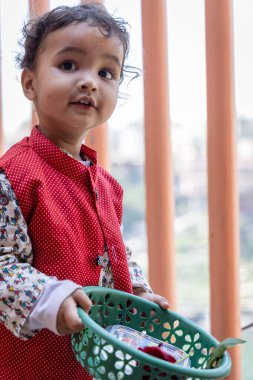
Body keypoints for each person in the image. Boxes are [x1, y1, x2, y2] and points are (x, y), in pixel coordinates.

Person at [0, 4, 169, 380]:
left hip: (94, 364)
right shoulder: (14, 174)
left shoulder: (107, 185)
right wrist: (49, 297)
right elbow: (2, 263)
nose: (90, 81)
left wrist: (136, 290)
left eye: (106, 72)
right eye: (69, 65)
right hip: (33, 366)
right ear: (30, 83)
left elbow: (114, 254)